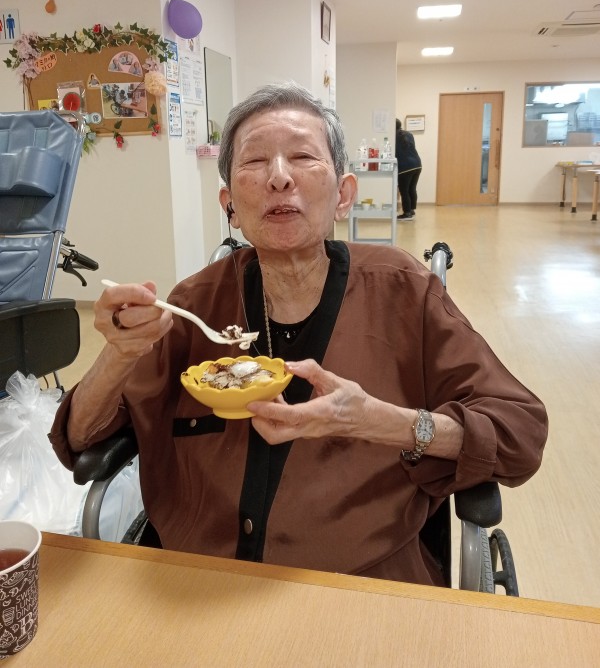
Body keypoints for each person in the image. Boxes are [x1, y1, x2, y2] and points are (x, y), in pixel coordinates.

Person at [50, 82, 548, 586]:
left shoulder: (404, 293)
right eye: (254, 161)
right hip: (199, 578)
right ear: (229, 204)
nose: (279, 177)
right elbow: (80, 437)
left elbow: (519, 434)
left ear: (343, 194)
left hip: (361, 584)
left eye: (303, 157)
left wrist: (384, 422)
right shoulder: (193, 304)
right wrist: (119, 353)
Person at [395, 118, 422, 221]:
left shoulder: (393, 136)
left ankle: (407, 213)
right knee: (412, 188)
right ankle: (411, 210)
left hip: (405, 166)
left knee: (404, 190)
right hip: (417, 164)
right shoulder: (409, 134)